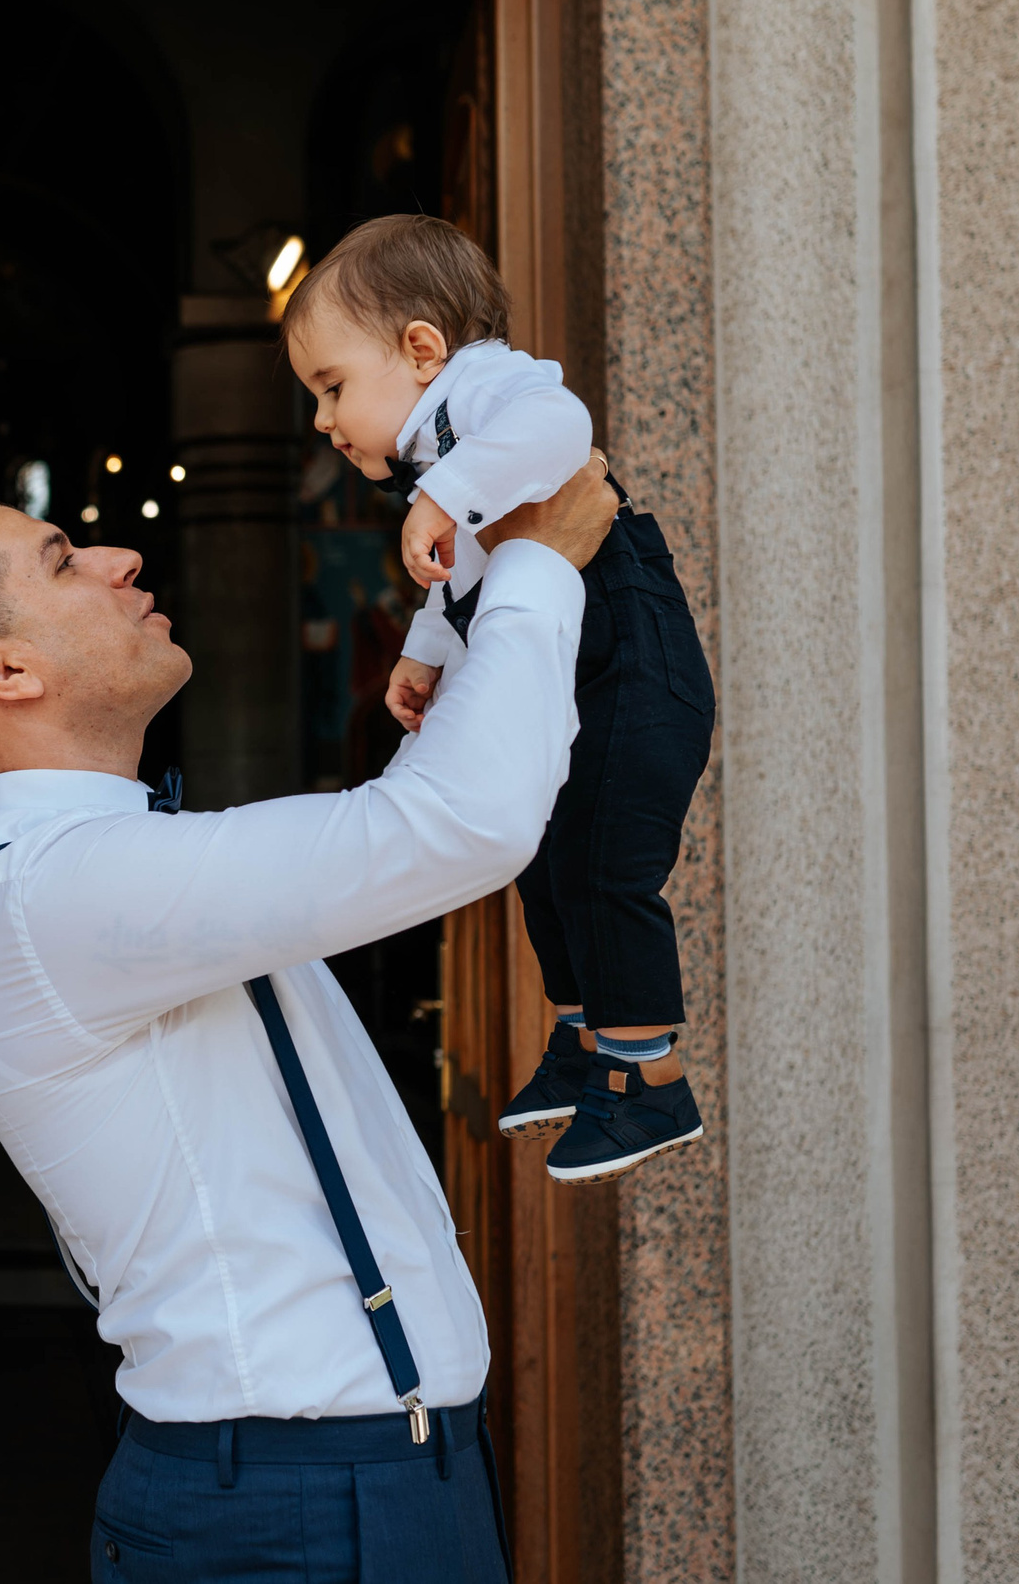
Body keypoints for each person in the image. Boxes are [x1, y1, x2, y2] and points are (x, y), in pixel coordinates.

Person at [0, 457, 618, 1580]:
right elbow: (461, 824)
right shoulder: (50, 889)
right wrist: (539, 561)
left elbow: (416, 825)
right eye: (63, 558)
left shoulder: (101, 864)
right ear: (0, 668)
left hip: (363, 1477)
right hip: (293, 1507)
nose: (120, 558)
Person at [282, 216, 715, 1182]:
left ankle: (649, 1082)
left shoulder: (488, 387)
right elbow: (464, 578)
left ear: (422, 349)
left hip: (634, 670)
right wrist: (425, 654)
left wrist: (451, 493)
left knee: (605, 870)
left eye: (332, 388)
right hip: (581, 681)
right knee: (547, 862)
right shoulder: (451, 464)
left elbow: (561, 425)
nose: (322, 420)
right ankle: (581, 1041)